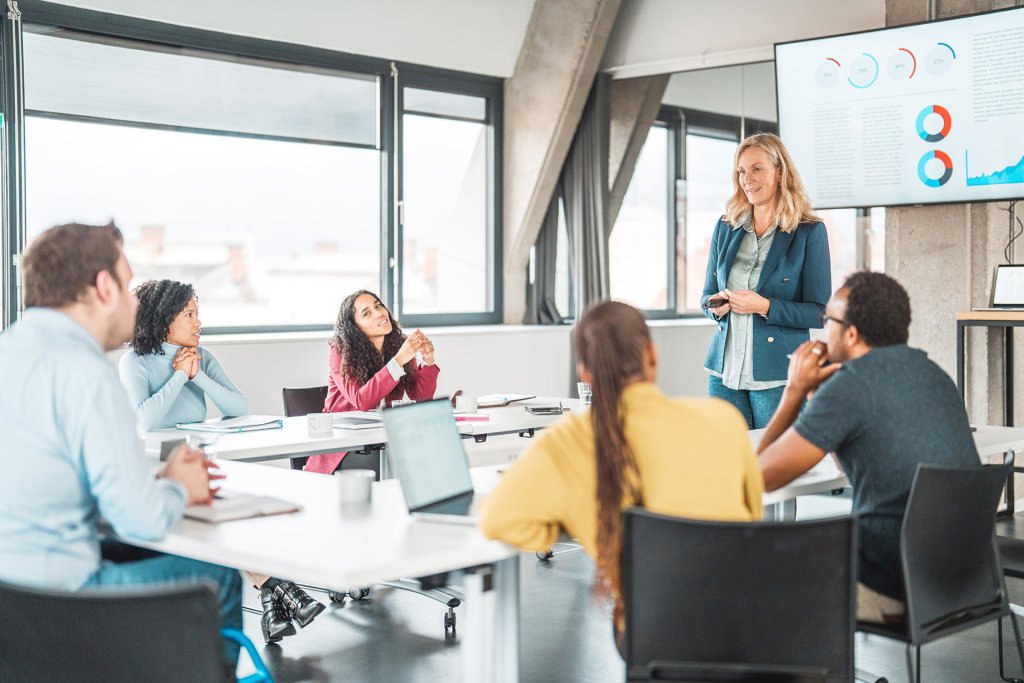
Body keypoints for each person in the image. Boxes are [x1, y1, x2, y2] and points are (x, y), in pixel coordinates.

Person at [0, 223, 242, 673]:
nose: (135, 305)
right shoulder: (83, 370)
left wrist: (148, 481)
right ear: (104, 286)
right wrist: (178, 488)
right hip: (61, 599)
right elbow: (143, 519)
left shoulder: (10, 352)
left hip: (10, 601)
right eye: (130, 288)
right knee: (219, 578)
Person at [480, 300, 763, 642]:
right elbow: (751, 518)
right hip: (751, 631)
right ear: (653, 357)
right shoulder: (724, 419)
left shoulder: (565, 442)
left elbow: (497, 520)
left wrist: (569, 519)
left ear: (584, 373)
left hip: (656, 637)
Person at [757, 271, 979, 624]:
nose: (822, 328)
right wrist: (817, 397)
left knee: (756, 572)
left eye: (826, 319)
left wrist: (793, 394)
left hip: (893, 587)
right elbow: (854, 465)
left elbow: (760, 478)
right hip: (965, 583)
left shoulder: (851, 385)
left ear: (851, 334)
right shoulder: (932, 372)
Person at [119, 279, 324, 643]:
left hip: (198, 466)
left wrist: (199, 376)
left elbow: (240, 407)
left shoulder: (202, 356)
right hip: (157, 473)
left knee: (237, 510)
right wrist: (180, 375)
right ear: (165, 319)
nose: (199, 323)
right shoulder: (134, 361)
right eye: (190, 314)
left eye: (198, 313)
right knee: (226, 516)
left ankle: (273, 601)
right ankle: (280, 590)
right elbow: (145, 420)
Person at [700, 132, 831, 429]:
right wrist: (715, 307)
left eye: (757, 168)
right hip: (724, 373)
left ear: (780, 172)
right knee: (729, 467)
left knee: (774, 468)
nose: (747, 179)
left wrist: (766, 306)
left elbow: (820, 312)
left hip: (776, 375)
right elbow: (707, 294)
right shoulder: (726, 226)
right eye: (742, 171)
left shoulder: (809, 232)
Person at [304, 290, 438, 474]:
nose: (379, 313)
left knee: (428, 457)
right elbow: (362, 401)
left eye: (378, 306)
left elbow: (421, 398)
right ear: (355, 327)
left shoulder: (399, 345)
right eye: (367, 313)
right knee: (402, 465)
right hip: (347, 445)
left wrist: (428, 360)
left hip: (386, 438)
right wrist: (398, 361)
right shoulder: (341, 351)